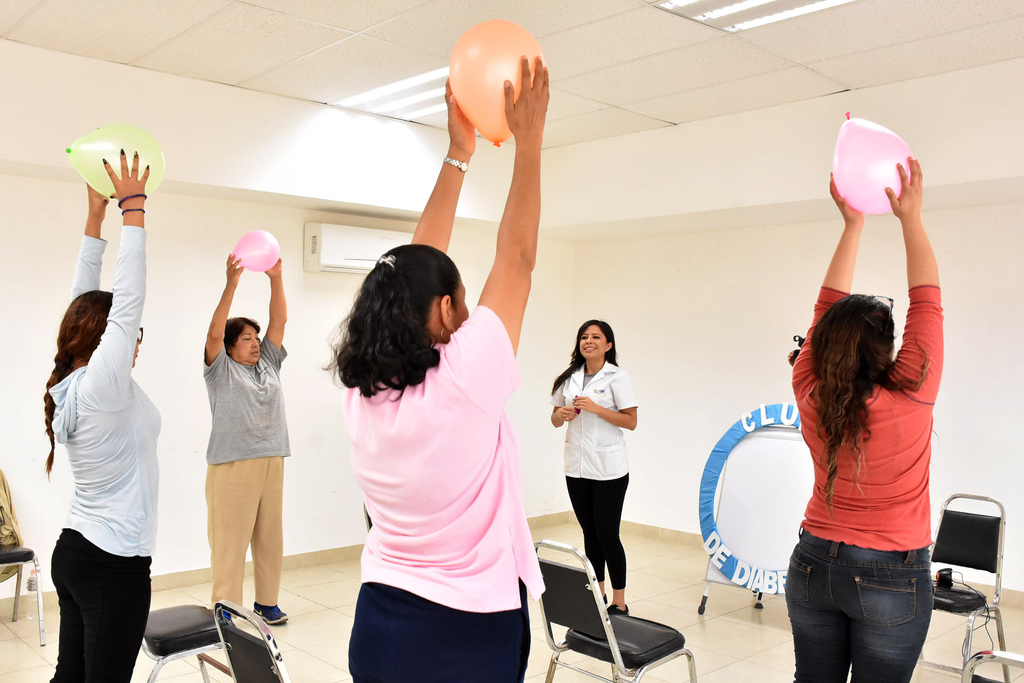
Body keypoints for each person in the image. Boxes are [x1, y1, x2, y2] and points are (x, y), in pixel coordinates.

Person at [333, 61, 549, 683]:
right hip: (466, 629)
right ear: (448, 307)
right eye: (462, 297)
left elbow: (413, 268)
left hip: (379, 624)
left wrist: (459, 154)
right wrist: (529, 144)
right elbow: (517, 257)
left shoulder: (361, 392)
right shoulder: (464, 378)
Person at [786, 160, 942, 683]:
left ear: (823, 343)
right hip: (891, 575)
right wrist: (909, 220)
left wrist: (854, 225)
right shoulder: (912, 392)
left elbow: (826, 307)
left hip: (813, 563)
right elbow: (927, 303)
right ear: (888, 348)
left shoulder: (809, 388)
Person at [44, 153, 157, 683]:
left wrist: (95, 218)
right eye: (131, 335)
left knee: (69, 677)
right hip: (113, 565)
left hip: (76, 553)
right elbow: (127, 299)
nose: (135, 341)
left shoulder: (76, 379)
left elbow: (82, 302)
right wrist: (132, 208)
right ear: (106, 337)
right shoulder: (103, 386)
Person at [203, 251, 290, 624]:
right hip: (232, 464)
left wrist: (276, 278)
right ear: (229, 346)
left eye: (256, 338)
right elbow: (214, 332)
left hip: (272, 459)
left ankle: (266, 603)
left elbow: (280, 320)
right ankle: (226, 608)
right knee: (230, 541)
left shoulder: (268, 363)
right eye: (246, 339)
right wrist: (231, 284)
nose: (255, 343)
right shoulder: (220, 369)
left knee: (270, 538)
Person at [550, 320, 637, 614]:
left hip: (608, 469)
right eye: (584, 337)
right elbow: (554, 419)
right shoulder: (568, 377)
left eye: (596, 337)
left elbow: (631, 421)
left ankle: (619, 602)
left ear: (608, 345)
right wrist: (561, 414)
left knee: (608, 535)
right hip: (576, 467)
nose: (589, 341)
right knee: (589, 533)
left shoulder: (618, 378)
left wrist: (597, 408)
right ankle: (597, 594)